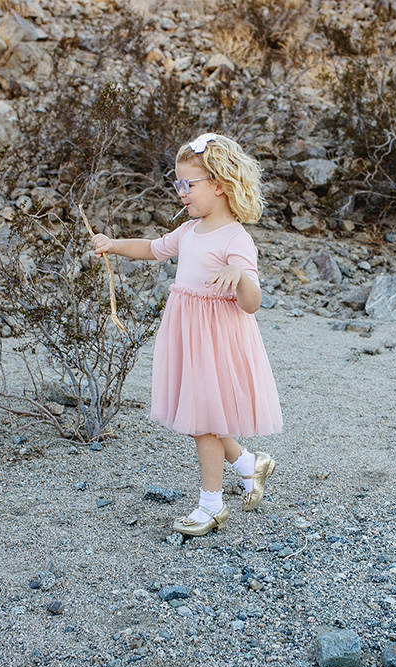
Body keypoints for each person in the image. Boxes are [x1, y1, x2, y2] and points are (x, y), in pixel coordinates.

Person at [92, 132, 283, 536]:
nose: (181, 192)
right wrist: (113, 244)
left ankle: (212, 505)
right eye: (177, 183)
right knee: (206, 417)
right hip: (188, 336)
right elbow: (152, 248)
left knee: (204, 420)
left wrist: (240, 276)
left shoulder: (235, 238)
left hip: (218, 340)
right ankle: (250, 465)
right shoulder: (189, 232)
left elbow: (251, 303)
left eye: (188, 184)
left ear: (219, 184)